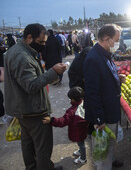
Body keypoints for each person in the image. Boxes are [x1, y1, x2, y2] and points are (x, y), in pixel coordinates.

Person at [4, 23, 67, 170]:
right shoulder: (22, 57)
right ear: (29, 38)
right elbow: (31, 86)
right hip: (33, 111)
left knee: (28, 144)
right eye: (41, 42)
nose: (44, 45)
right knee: (42, 147)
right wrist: (53, 72)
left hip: (24, 110)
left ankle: (33, 167)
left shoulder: (17, 51)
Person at [83, 24, 125, 169]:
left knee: (110, 148)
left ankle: (109, 163)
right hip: (103, 116)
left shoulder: (105, 54)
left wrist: (116, 78)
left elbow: (103, 78)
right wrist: (99, 119)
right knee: (103, 154)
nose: (118, 43)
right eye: (117, 39)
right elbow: (91, 92)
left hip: (110, 112)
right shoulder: (93, 59)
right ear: (107, 39)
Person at [42, 87, 89, 164]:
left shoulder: (71, 111)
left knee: (81, 143)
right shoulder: (84, 103)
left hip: (77, 131)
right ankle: (81, 151)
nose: (70, 100)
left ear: (74, 99)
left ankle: (83, 159)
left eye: (71, 99)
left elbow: (63, 121)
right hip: (83, 129)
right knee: (81, 142)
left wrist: (51, 120)